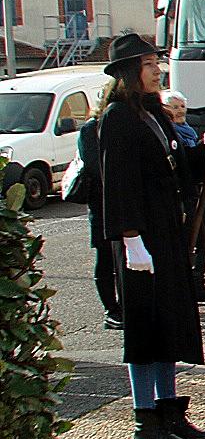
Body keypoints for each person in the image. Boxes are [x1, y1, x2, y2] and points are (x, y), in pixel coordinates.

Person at [98, 34, 205, 439]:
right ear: (128, 73)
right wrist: (130, 238)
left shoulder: (154, 114)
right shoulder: (118, 118)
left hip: (166, 233)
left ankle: (169, 409)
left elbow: (181, 169)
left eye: (157, 62)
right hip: (142, 237)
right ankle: (145, 420)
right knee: (145, 327)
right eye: (149, 64)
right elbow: (117, 183)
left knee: (169, 320)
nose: (158, 70)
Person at [162, 88, 205, 302]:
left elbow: (199, 165)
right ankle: (186, 283)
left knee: (204, 238)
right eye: (174, 107)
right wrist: (204, 146)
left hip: (196, 193)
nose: (179, 111)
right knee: (189, 240)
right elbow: (183, 161)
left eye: (182, 107)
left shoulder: (187, 130)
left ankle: (198, 281)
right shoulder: (167, 132)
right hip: (181, 196)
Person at [66, 100, 120, 327]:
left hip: (121, 201)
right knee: (106, 257)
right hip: (101, 204)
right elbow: (93, 166)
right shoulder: (91, 129)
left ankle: (126, 306)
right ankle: (111, 309)